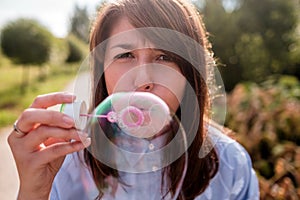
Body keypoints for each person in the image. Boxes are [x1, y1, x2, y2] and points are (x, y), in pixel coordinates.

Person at [8, 0, 259, 199]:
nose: (142, 81)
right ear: (101, 70)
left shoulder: (229, 164)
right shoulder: (66, 161)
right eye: (125, 55)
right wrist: (33, 193)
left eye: (164, 57)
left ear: (189, 72)